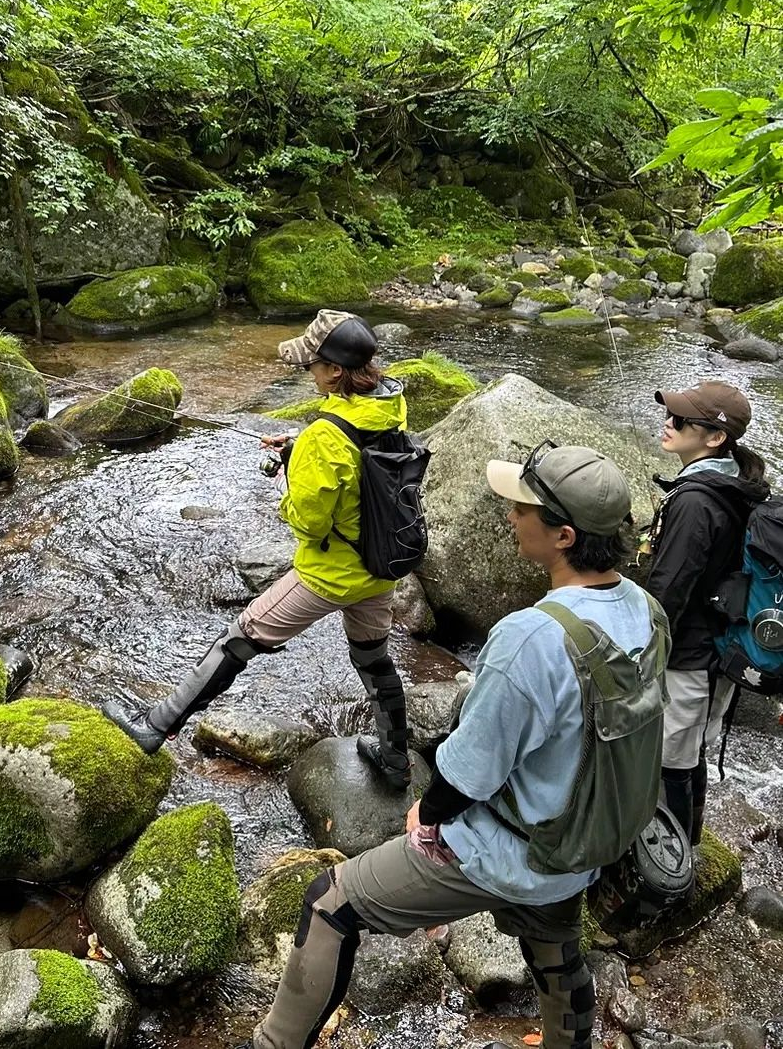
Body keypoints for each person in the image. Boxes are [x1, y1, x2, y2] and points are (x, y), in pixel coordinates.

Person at [239, 443, 667, 1049]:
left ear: (564, 535)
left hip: (509, 853)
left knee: (330, 903)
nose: (510, 516)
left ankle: (274, 1043)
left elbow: (469, 775)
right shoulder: (648, 612)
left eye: (521, 508)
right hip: (580, 846)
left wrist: (427, 817)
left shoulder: (530, 639)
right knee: (556, 952)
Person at [104, 309, 414, 789]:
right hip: (381, 565)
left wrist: (292, 478)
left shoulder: (324, 438)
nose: (307, 371)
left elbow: (311, 524)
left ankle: (155, 725)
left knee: (238, 638)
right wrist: (301, 447)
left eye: (311, 363)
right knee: (373, 655)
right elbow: (356, 461)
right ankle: (396, 759)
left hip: (331, 574)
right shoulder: (388, 408)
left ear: (334, 371)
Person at [646, 380, 769, 844]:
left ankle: (675, 861)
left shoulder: (697, 501)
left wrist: (639, 653)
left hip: (689, 658)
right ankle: (684, 845)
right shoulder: (739, 482)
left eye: (680, 420)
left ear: (715, 437)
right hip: (719, 649)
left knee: (672, 762)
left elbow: (668, 590)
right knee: (688, 753)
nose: (668, 423)